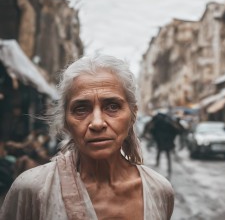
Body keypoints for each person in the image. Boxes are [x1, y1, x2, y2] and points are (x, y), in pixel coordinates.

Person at [0, 55, 174, 219]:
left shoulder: (158, 190)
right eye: (81, 109)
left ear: (133, 114)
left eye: (112, 106)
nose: (97, 123)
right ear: (66, 121)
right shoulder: (31, 189)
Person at [143, 112, 183, 178]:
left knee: (162, 153)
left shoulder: (157, 123)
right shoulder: (168, 122)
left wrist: (154, 138)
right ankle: (168, 170)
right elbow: (176, 131)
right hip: (167, 142)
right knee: (167, 156)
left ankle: (159, 166)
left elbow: (152, 131)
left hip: (161, 142)